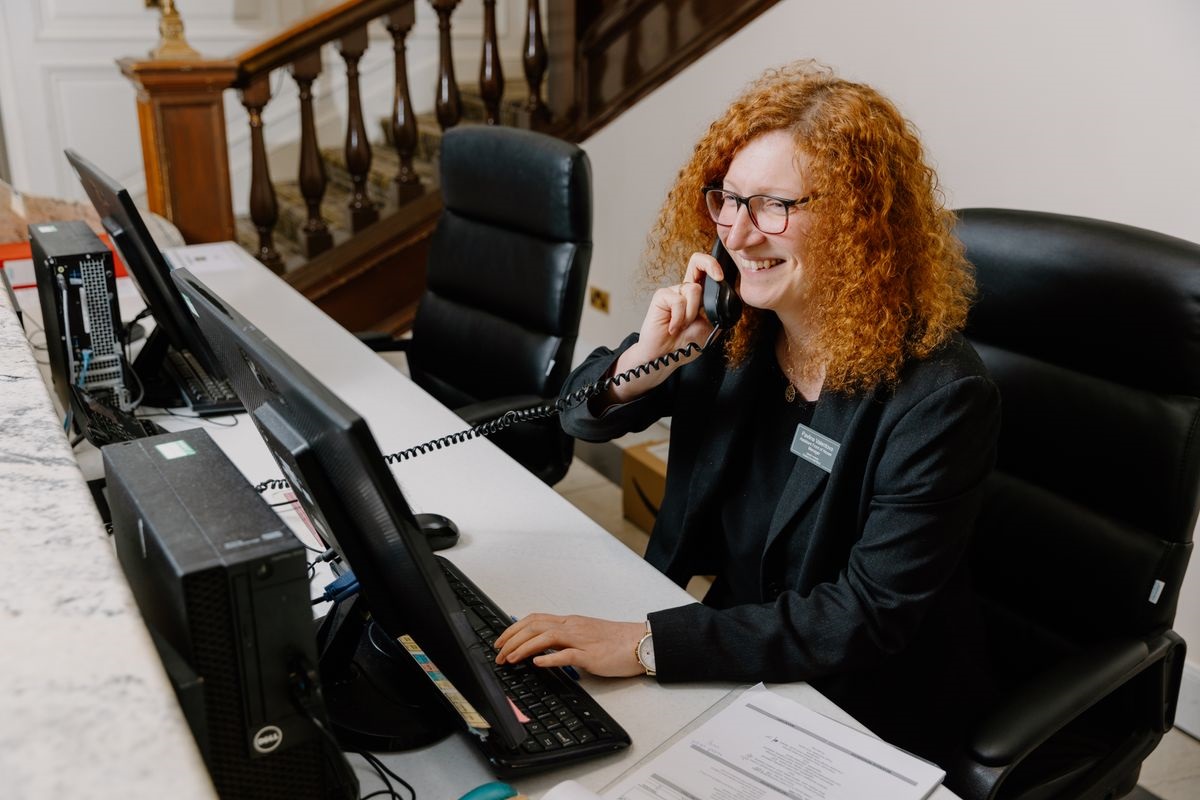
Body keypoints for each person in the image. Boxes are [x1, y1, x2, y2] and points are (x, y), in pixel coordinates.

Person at [494, 61, 1000, 764]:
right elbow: (580, 418)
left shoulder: (939, 396)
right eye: (727, 200)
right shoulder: (735, 325)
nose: (737, 233)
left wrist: (645, 645)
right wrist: (651, 357)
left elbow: (863, 617)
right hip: (733, 642)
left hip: (853, 698)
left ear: (858, 220)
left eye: (773, 206)